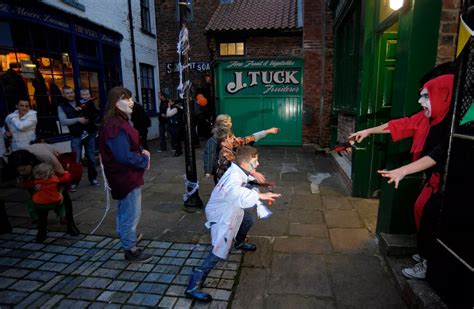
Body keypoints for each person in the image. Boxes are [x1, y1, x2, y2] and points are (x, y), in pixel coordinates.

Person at [349, 73, 455, 280]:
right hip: (434, 180)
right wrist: (369, 131)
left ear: (443, 96)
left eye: (426, 96)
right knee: (420, 210)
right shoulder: (428, 118)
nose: (420, 101)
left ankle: (429, 263)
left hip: (449, 184)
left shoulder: (452, 125)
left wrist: (403, 170)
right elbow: (400, 125)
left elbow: (439, 154)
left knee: (431, 218)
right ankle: (427, 253)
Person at [186, 146, 281, 302]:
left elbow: (245, 182)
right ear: (244, 162)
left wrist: (261, 184)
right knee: (219, 249)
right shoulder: (233, 177)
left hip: (231, 207)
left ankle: (239, 243)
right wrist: (262, 195)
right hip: (221, 214)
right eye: (254, 161)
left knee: (248, 220)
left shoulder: (239, 170)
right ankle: (193, 285)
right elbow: (236, 192)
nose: (257, 164)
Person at [99, 86, 152, 263]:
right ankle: (130, 249)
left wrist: (141, 151)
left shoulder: (119, 122)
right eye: (126, 98)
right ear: (115, 102)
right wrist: (143, 161)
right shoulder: (115, 125)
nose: (131, 102)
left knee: (126, 212)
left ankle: (128, 242)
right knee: (130, 213)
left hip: (125, 176)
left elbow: (127, 148)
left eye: (131, 98)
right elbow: (123, 156)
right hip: (126, 177)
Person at [9, 145, 80, 239]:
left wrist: (60, 192)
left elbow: (63, 178)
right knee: (40, 201)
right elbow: (22, 183)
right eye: (19, 171)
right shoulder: (17, 162)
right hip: (36, 171)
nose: (21, 172)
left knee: (65, 199)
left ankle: (71, 225)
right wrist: (34, 189)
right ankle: (41, 229)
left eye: (24, 169)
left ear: (30, 163)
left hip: (54, 164)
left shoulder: (47, 158)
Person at [214, 114, 279, 183]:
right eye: (227, 122)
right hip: (225, 178)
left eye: (230, 121)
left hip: (229, 175)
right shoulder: (222, 144)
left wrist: (267, 131)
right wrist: (253, 172)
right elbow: (233, 161)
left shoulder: (228, 135)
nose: (230, 124)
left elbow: (245, 140)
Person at [58, 86, 99, 191]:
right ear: (63, 95)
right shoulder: (61, 106)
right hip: (76, 135)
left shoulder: (83, 101)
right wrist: (78, 119)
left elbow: (94, 113)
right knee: (76, 160)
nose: (70, 94)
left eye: (71, 92)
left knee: (91, 158)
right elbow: (63, 121)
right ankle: (75, 181)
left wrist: (90, 118)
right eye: (67, 93)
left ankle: (93, 178)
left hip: (89, 133)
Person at [24, 163, 70, 243]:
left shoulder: (36, 182)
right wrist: (66, 172)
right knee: (62, 203)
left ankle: (35, 217)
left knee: (30, 203)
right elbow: (66, 177)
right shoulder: (55, 179)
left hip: (40, 204)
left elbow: (25, 184)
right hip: (54, 202)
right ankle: (61, 215)